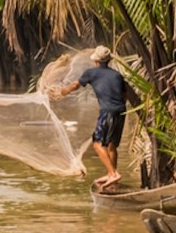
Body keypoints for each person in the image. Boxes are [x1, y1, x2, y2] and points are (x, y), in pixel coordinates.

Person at [54, 46, 127, 189]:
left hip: (107, 112)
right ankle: (112, 178)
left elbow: (75, 85)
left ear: (96, 61)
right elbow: (124, 95)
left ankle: (113, 174)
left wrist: (63, 91)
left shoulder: (91, 73)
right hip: (121, 112)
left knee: (97, 143)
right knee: (111, 146)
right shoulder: (117, 75)